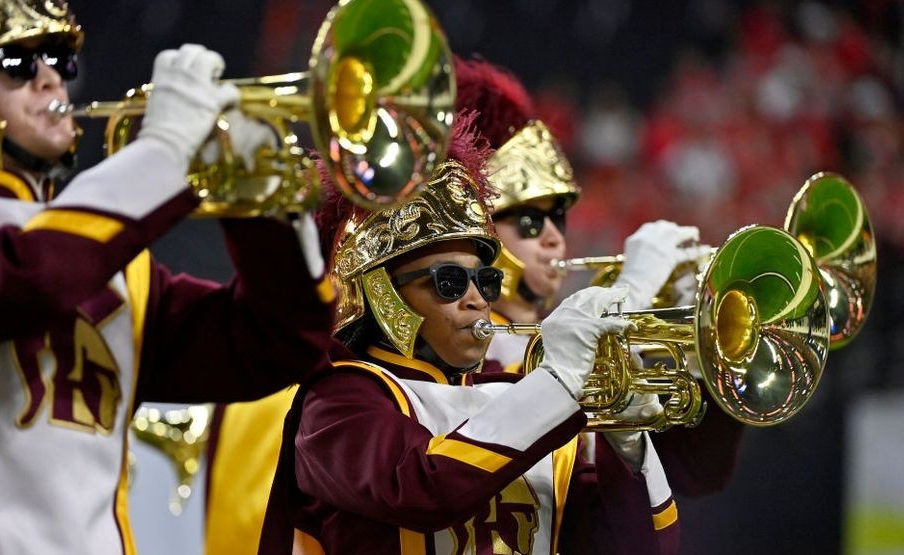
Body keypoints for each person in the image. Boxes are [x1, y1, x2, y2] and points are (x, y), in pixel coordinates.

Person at [0, 2, 335, 553]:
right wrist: (162, 153)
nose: (49, 78)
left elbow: (279, 344)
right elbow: (26, 278)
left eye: (61, 59)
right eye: (15, 61)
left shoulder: (115, 264)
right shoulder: (66, 248)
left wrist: (264, 207)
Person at [257, 114, 678, 555]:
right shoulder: (336, 404)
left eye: (487, 282)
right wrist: (557, 383)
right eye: (449, 282)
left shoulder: (520, 398)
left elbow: (648, 547)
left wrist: (629, 449)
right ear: (383, 294)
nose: (478, 300)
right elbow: (423, 488)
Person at [455, 57, 743, 528]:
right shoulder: (471, 350)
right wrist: (631, 290)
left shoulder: (562, 340)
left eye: (559, 218)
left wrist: (705, 354)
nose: (553, 237)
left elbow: (695, 475)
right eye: (529, 220)